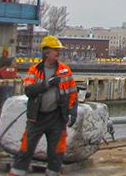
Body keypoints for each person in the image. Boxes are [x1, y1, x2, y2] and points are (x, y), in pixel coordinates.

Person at [9, 36, 77, 176]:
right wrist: (46, 85)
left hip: (57, 118)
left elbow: (72, 93)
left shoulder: (65, 71)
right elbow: (29, 90)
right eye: (55, 50)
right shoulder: (35, 70)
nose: (59, 53)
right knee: (26, 148)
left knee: (57, 151)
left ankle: (53, 173)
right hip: (37, 118)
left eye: (59, 50)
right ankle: (17, 173)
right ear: (46, 52)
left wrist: (72, 111)